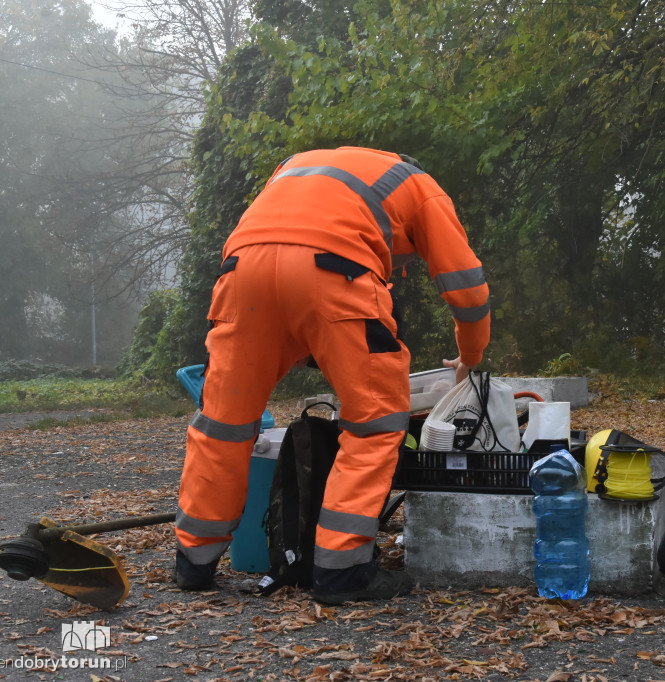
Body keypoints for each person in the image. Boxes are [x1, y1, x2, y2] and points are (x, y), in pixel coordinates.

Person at [173, 147, 490, 602]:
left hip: (241, 274)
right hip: (335, 273)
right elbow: (467, 288)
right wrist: (470, 356)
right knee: (374, 423)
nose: (400, 269)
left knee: (223, 423)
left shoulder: (296, 166)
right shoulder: (421, 188)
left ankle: (194, 561)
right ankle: (342, 570)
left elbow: (286, 266)